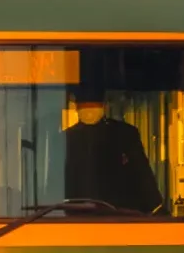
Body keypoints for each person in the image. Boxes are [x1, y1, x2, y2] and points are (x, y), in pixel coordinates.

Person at [63, 84, 164, 214]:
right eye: (84, 105)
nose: (89, 109)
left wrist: (156, 209)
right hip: (74, 218)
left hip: (119, 217)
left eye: (93, 105)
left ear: (104, 106)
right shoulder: (66, 139)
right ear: (76, 107)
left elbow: (142, 174)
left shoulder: (125, 134)